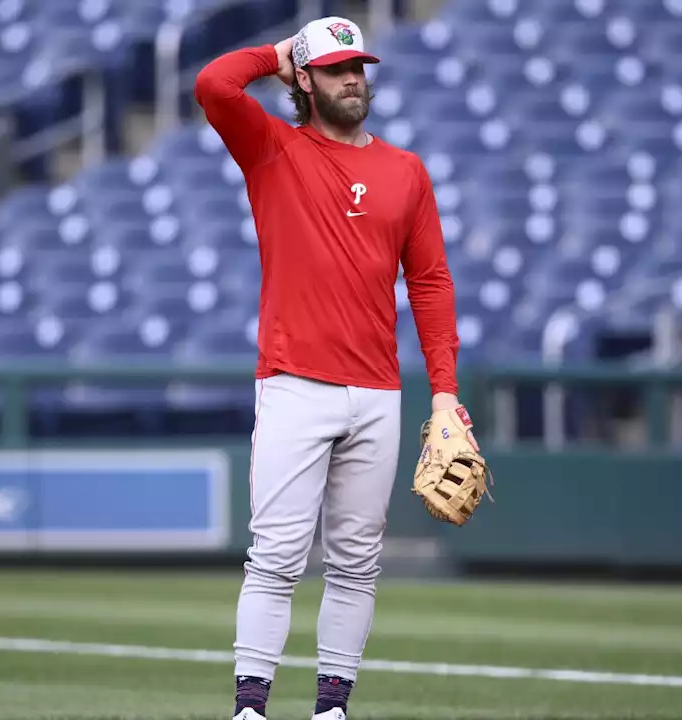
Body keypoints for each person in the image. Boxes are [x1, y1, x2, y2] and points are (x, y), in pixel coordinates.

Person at [193, 15, 474, 720]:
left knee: (355, 566)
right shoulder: (272, 150)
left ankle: (331, 709)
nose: (355, 77)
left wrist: (444, 396)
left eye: (361, 66)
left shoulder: (405, 170)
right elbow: (212, 84)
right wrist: (275, 55)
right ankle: (251, 710)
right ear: (307, 80)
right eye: (338, 67)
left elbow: (432, 284)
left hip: (378, 393)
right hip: (293, 384)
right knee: (277, 558)